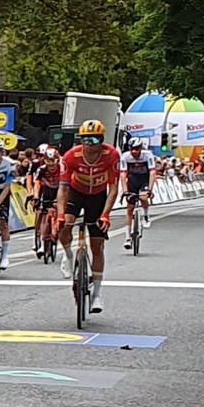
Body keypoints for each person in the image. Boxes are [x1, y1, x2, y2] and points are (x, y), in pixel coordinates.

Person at [58, 120, 120, 311]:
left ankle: (96, 295)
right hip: (76, 193)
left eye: (93, 139)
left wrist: (106, 215)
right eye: (85, 139)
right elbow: (62, 188)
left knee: (97, 246)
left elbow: (113, 188)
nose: (89, 144)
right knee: (66, 223)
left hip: (98, 196)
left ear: (102, 140)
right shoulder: (71, 156)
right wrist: (60, 214)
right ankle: (68, 255)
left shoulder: (111, 155)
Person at [121, 140, 156, 237]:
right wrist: (125, 191)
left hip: (144, 179)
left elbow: (152, 173)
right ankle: (127, 236)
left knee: (143, 198)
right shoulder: (125, 156)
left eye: (136, 149)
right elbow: (123, 174)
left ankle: (145, 216)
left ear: (141, 148)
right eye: (132, 149)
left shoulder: (148, 155)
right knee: (130, 208)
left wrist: (150, 189)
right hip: (132, 180)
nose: (134, 152)